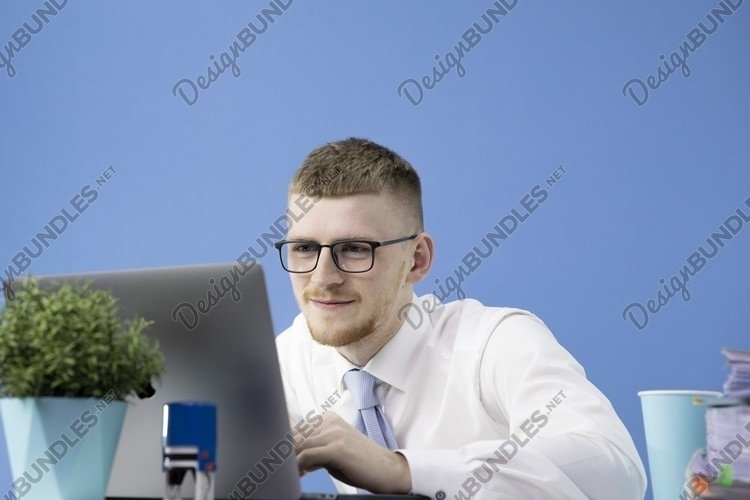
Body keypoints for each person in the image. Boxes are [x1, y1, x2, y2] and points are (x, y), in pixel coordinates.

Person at [274, 137, 647, 499]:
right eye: (304, 248)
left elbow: (616, 472)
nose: (323, 278)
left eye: (355, 249)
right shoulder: (289, 358)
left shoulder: (494, 342)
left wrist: (402, 471)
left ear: (416, 260)